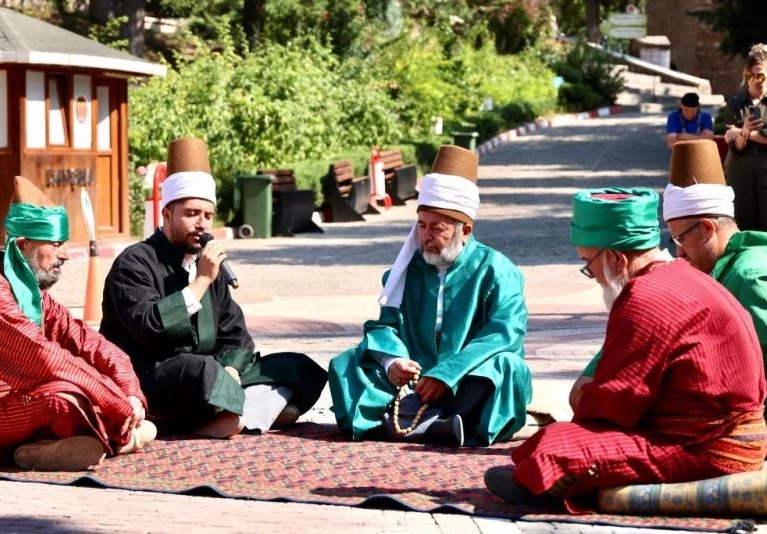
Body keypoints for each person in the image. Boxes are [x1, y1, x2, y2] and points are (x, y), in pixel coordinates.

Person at [484, 187, 767, 512]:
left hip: (708, 447)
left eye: (589, 265)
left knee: (556, 445)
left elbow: (614, 405)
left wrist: (582, 418)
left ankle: (552, 487)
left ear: (617, 259)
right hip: (733, 435)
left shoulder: (645, 298)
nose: (594, 278)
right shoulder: (684, 274)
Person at [100, 137, 327, 439]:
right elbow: (149, 328)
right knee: (200, 372)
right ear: (167, 214)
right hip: (152, 374)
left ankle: (235, 410)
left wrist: (232, 369)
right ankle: (251, 409)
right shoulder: (135, 262)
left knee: (296, 367)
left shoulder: (207, 263)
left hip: (212, 375)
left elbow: (235, 334)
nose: (201, 224)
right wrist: (201, 282)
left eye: (207, 216)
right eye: (191, 214)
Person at [328, 145, 532, 448]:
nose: (426, 236)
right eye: (421, 226)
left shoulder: (498, 270)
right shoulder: (403, 273)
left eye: (437, 228)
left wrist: (447, 375)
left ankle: (437, 421)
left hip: (468, 374)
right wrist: (393, 362)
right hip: (413, 379)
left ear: (465, 230)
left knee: (507, 368)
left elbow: (507, 332)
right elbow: (383, 327)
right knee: (347, 362)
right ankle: (436, 424)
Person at [0, 177, 155, 471]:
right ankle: (115, 438)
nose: (65, 254)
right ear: (22, 245)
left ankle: (36, 448)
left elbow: (88, 342)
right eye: (55, 244)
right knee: (64, 398)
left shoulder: (35, 296)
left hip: (15, 406)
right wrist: (114, 403)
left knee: (82, 389)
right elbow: (43, 357)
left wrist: (129, 391)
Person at [663, 139, 767, 369]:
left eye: (681, 239)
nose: (679, 252)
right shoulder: (726, 269)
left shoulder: (750, 278)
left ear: (707, 228)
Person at [722, 43, 767, 231]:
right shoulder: (735, 103)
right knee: (743, 224)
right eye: (751, 74)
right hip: (741, 175)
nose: (756, 79)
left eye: (761, 74)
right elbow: (737, 146)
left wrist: (745, 132)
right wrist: (743, 132)